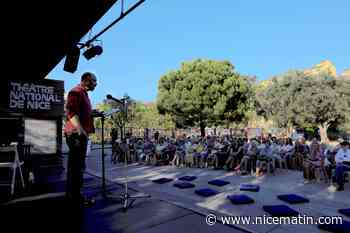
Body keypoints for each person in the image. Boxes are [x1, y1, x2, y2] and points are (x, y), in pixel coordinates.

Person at [64, 72, 97, 207]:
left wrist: (92, 113)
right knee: (76, 167)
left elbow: (81, 111)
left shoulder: (84, 94)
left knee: (78, 167)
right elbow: (71, 111)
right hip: (76, 134)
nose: (96, 84)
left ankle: (74, 196)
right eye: (94, 81)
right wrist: (80, 129)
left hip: (80, 134)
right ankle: (75, 199)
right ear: (85, 80)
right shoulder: (76, 91)